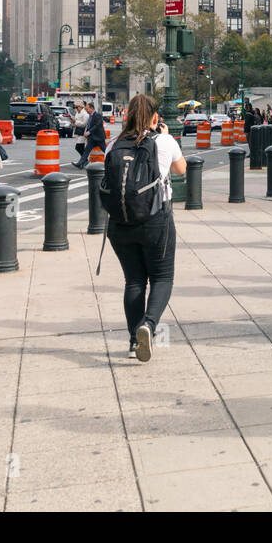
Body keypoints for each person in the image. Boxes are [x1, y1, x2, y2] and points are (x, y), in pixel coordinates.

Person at [105, 94, 186, 362]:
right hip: (155, 219)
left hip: (120, 223)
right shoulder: (164, 140)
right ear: (154, 117)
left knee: (134, 280)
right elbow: (181, 169)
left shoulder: (113, 144)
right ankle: (149, 325)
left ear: (127, 115)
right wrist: (162, 134)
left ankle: (132, 342)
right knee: (162, 277)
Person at [74, 101, 107, 168]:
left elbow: (97, 125)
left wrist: (89, 132)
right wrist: (87, 134)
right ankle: (80, 163)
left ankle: (115, 159)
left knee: (106, 151)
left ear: (92, 108)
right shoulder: (90, 116)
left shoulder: (97, 115)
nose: (86, 110)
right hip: (92, 138)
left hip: (99, 138)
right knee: (86, 151)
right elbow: (89, 126)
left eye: (87, 109)